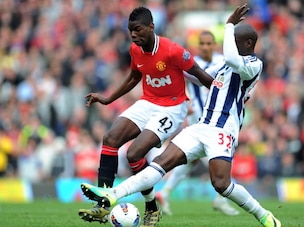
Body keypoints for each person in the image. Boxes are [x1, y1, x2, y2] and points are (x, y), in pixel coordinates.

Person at [80, 3, 281, 227]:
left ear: (248, 43)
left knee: (221, 184)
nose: (227, 48)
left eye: (232, 43)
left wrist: (229, 26)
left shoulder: (254, 65)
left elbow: (233, 60)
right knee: (159, 164)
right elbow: (202, 78)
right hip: (200, 127)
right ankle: (112, 195)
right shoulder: (225, 67)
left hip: (222, 130)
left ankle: (262, 214)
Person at [78, 6, 214, 227]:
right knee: (110, 139)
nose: (133, 35)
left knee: (134, 153)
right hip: (147, 102)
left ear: (151, 27)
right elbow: (134, 76)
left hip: (172, 107)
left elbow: (200, 75)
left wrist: (227, 96)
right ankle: (103, 204)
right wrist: (108, 98)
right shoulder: (135, 50)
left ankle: (150, 205)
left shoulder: (172, 50)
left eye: (138, 29)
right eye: (130, 30)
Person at [155, 30, 239, 216]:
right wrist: (184, 102)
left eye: (209, 43)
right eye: (203, 43)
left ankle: (165, 193)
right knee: (222, 157)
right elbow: (177, 83)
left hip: (220, 118)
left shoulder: (222, 61)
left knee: (190, 161)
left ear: (215, 45)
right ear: (198, 45)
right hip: (200, 119)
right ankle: (221, 199)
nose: (206, 47)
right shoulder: (191, 63)